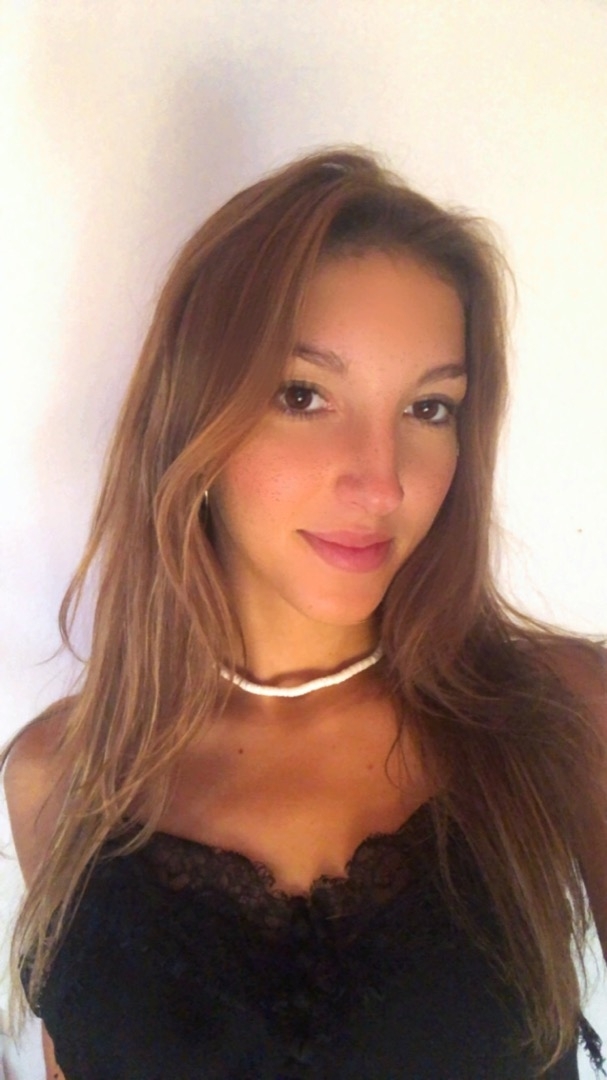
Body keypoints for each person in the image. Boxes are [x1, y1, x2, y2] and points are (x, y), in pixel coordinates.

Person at [2, 148, 606, 1080]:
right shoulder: (62, 778)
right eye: (303, 395)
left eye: (429, 408)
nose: (381, 482)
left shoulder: (562, 715)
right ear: (193, 417)